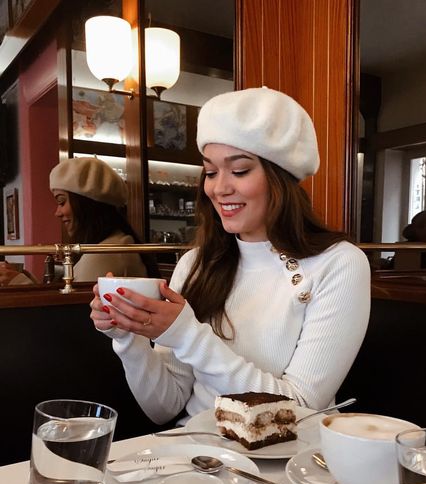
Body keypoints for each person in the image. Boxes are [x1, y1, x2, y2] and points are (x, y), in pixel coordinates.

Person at [89, 87, 371, 426]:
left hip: (284, 461)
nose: (219, 188)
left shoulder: (338, 264)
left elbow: (298, 409)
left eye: (238, 171)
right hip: (198, 457)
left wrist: (186, 335)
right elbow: (163, 408)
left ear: (281, 177)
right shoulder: (196, 263)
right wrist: (128, 337)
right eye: (210, 172)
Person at [0, 157, 157, 286]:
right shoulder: (114, 243)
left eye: (61, 202)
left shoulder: (106, 253)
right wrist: (22, 278)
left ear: (87, 204)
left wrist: (19, 282)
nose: (57, 213)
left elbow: (68, 315)